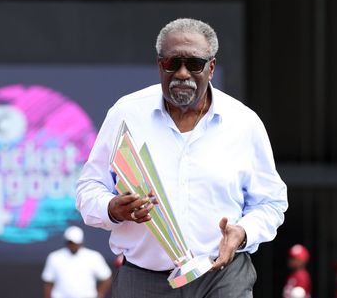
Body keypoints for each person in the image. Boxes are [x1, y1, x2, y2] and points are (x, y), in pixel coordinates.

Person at [76, 18, 288, 298]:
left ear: (211, 68)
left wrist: (243, 233)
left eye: (195, 64)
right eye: (172, 63)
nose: (182, 73)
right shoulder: (126, 114)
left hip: (221, 277)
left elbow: (271, 203)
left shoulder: (244, 123)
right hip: (144, 280)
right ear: (159, 65)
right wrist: (113, 208)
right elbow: (88, 189)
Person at [41, 226, 112, 298]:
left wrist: (99, 295)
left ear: (81, 242)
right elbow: (48, 282)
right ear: (66, 242)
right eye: (71, 242)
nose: (73, 245)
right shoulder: (54, 257)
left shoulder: (93, 257)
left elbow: (106, 277)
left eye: (76, 243)